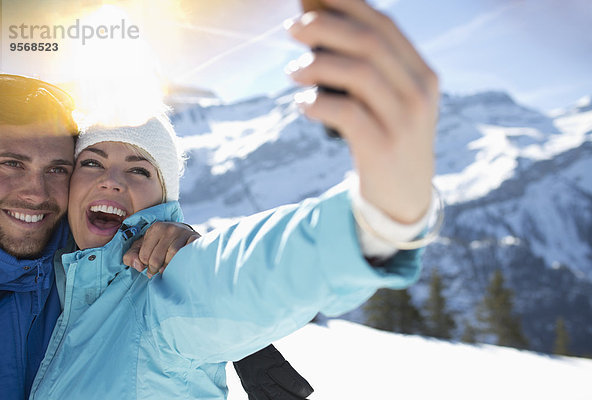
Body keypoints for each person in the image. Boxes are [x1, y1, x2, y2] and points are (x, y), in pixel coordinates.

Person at [29, 0, 440, 398]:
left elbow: (251, 271)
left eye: (139, 170)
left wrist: (380, 218)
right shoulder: (45, 275)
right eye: (92, 162)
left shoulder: (165, 296)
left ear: (163, 197)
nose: (112, 181)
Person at [0, 75, 312, 400]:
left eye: (57, 169)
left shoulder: (71, 262)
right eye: (10, 164)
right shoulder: (61, 259)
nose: (35, 193)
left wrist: (200, 273)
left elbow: (279, 284)